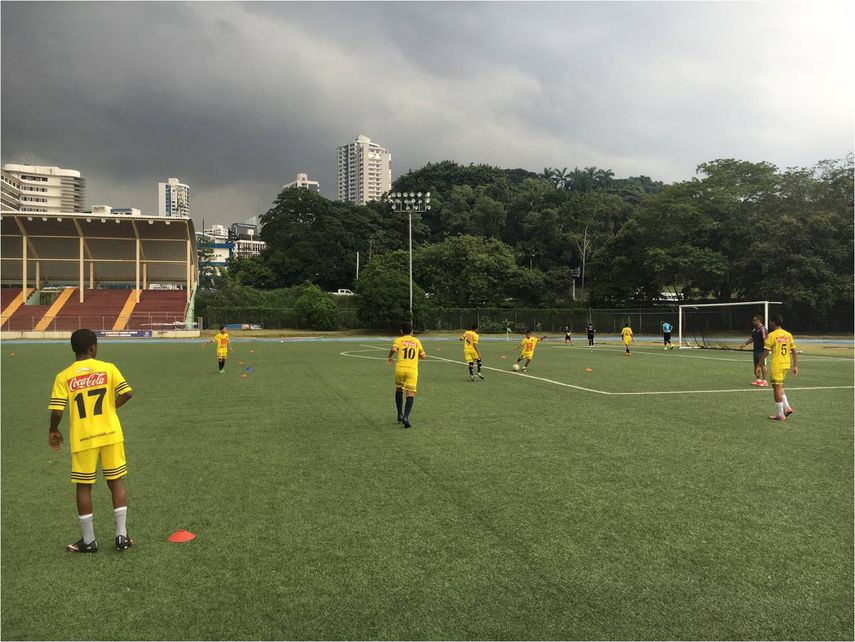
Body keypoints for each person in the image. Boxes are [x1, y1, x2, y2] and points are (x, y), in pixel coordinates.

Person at [48, 329, 134, 553]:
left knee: (84, 486)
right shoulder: (109, 368)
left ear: (73, 348)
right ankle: (122, 536)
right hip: (110, 433)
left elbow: (57, 411)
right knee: (115, 482)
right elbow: (127, 393)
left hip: (83, 437)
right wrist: (110, 408)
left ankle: (89, 540)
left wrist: (53, 429)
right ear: (93, 347)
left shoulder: (63, 376)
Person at [387, 321, 426, 428]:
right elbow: (423, 356)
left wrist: (390, 356)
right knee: (410, 393)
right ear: (412, 331)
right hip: (412, 370)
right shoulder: (417, 341)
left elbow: (394, 349)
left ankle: (399, 414)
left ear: (401, 331)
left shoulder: (398, 340)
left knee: (399, 389)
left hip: (400, 369)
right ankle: (406, 416)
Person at [760, 314, 798, 421]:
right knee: (779, 387)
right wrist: (795, 366)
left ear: (773, 322)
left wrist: (759, 364)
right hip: (786, 364)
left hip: (777, 364)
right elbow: (794, 351)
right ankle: (787, 407)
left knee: (776, 389)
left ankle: (780, 414)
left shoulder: (772, 335)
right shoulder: (788, 334)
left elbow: (766, 352)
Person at [741, 315, 769, 387]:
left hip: (762, 351)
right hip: (756, 350)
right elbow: (752, 338)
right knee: (756, 365)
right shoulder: (754, 330)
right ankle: (758, 380)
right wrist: (745, 344)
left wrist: (766, 350)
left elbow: (765, 340)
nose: (753, 321)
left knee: (763, 365)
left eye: (754, 320)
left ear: (759, 321)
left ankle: (764, 381)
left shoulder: (763, 329)